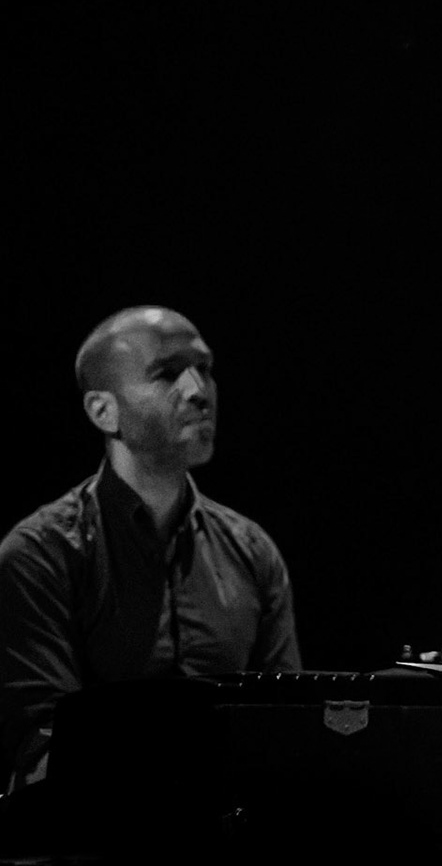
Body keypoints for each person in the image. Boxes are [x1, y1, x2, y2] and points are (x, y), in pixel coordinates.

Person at [0, 306, 301, 790]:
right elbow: (45, 750)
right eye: (167, 373)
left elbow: (288, 725)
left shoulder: (252, 550)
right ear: (103, 411)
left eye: (204, 368)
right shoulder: (39, 554)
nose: (199, 391)